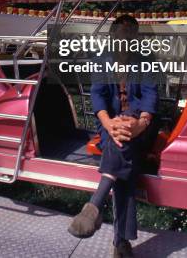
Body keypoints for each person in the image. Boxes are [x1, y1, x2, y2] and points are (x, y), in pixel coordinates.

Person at [68, 14, 158, 258]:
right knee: (123, 155)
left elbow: (150, 95)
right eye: (121, 33)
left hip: (141, 123)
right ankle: (121, 243)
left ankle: (95, 205)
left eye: (131, 33)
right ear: (112, 36)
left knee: (123, 143)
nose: (126, 38)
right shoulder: (101, 60)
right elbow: (97, 97)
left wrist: (141, 122)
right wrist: (109, 123)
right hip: (113, 126)